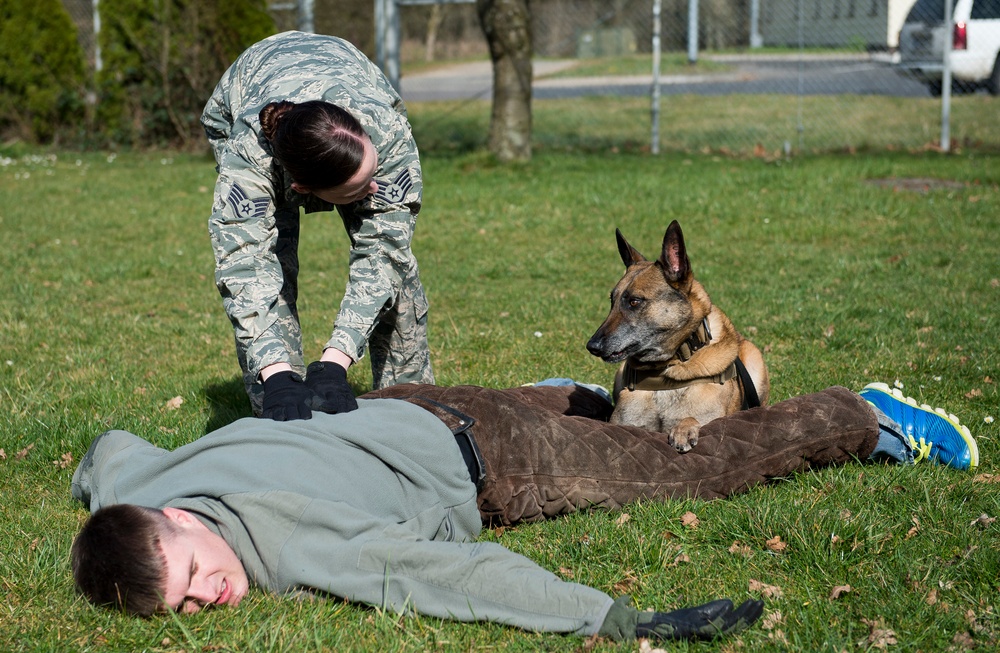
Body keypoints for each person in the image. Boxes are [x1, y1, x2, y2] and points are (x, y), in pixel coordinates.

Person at [70, 379, 976, 643]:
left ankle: (860, 414)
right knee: (549, 406)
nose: (207, 600)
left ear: (182, 524)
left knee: (683, 468)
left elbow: (439, 574)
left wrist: (606, 615)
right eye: (183, 607)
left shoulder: (282, 540)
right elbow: (107, 447)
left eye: (197, 575)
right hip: (403, 405)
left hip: (491, 460)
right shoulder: (137, 493)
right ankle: (566, 393)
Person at [200, 31, 435, 421]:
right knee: (271, 274)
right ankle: (279, 409)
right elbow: (245, 270)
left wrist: (335, 361)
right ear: (303, 191)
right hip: (242, 97)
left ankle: (409, 412)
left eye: (371, 175)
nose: (374, 189)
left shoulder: (386, 133)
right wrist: (274, 375)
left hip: (347, 75)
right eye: (359, 189)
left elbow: (383, 257)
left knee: (399, 279)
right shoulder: (248, 160)